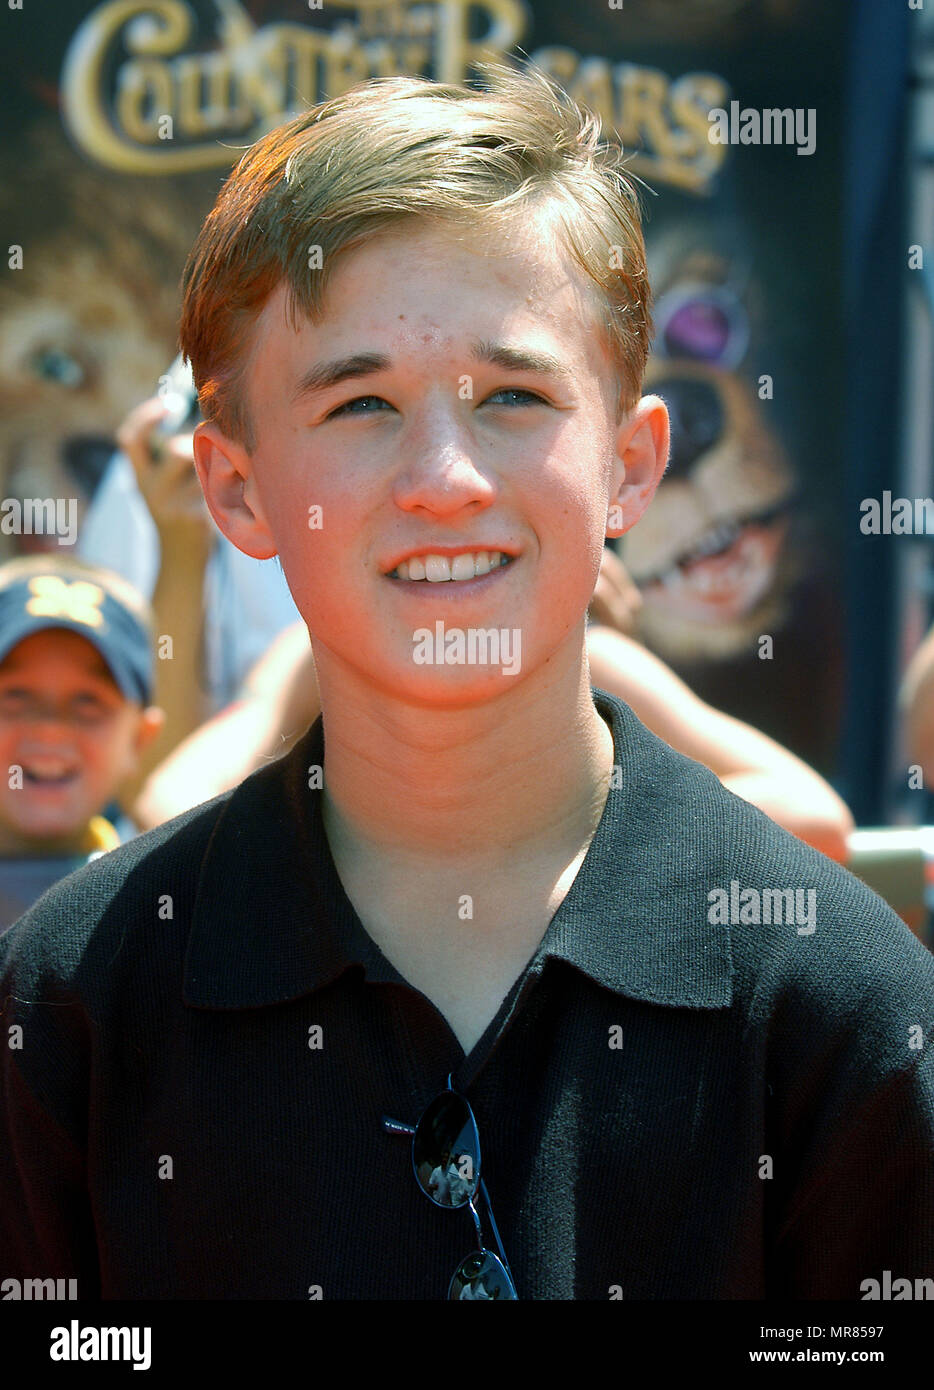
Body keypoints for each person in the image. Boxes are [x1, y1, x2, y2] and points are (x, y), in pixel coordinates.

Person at [1, 65, 932, 1301]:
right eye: (362, 400)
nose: (444, 475)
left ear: (630, 463)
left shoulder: (837, 1006)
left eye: (513, 395)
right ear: (234, 485)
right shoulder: (74, 1001)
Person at [134, 567, 855, 862]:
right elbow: (167, 816)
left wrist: (572, 817)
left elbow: (815, 819)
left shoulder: (589, 663)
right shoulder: (313, 673)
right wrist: (297, 670)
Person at [0, 555, 162, 931]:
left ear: (139, 740)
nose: (51, 729)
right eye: (16, 697)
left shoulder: (162, 900)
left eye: (88, 703)